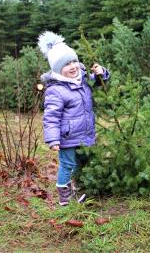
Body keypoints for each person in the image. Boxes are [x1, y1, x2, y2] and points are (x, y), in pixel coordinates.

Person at [38, 31, 109, 206]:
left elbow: (99, 81)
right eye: (66, 64)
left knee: (81, 162)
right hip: (67, 137)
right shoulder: (56, 89)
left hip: (85, 133)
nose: (73, 66)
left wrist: (102, 73)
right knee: (67, 164)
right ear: (57, 69)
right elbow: (51, 117)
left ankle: (77, 190)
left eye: (74, 61)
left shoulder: (83, 79)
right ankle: (64, 197)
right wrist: (53, 139)